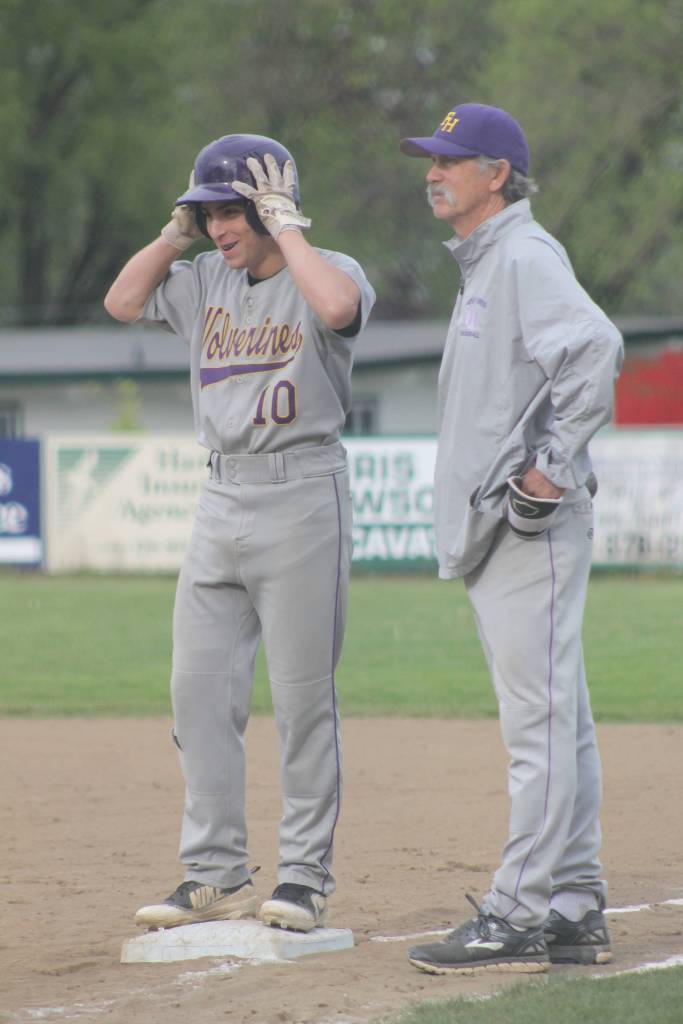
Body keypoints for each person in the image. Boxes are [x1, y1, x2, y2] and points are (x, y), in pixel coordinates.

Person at [104, 134, 375, 933]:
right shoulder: (200, 280)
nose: (219, 226)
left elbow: (336, 310)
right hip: (220, 497)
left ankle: (302, 877)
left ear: (268, 208)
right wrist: (175, 231)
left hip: (301, 494)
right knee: (197, 693)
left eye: (230, 210)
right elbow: (121, 303)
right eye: (209, 210)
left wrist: (286, 227)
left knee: (300, 702)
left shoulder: (329, 270)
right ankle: (215, 872)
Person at [398, 103, 623, 973]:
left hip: (531, 529)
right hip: (500, 532)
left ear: (497, 174)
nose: (433, 170)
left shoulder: (523, 256)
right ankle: (570, 900)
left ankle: (518, 909)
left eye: (451, 158)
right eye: (430, 157)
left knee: (541, 724)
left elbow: (594, 350)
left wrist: (549, 470)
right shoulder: (488, 263)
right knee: (557, 721)